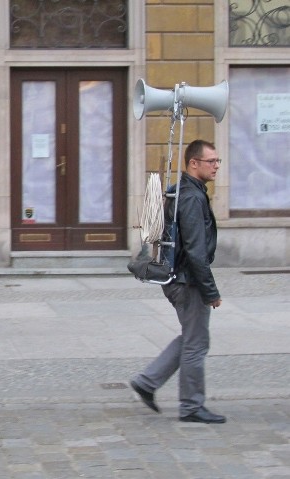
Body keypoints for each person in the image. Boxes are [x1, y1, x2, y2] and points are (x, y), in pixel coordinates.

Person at [131, 139, 225, 424]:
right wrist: (211, 291)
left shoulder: (185, 191)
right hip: (187, 281)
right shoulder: (192, 197)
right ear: (193, 163)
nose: (216, 166)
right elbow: (196, 252)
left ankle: (148, 381)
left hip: (180, 279)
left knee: (191, 338)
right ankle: (191, 407)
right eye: (211, 161)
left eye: (218, 161)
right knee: (196, 344)